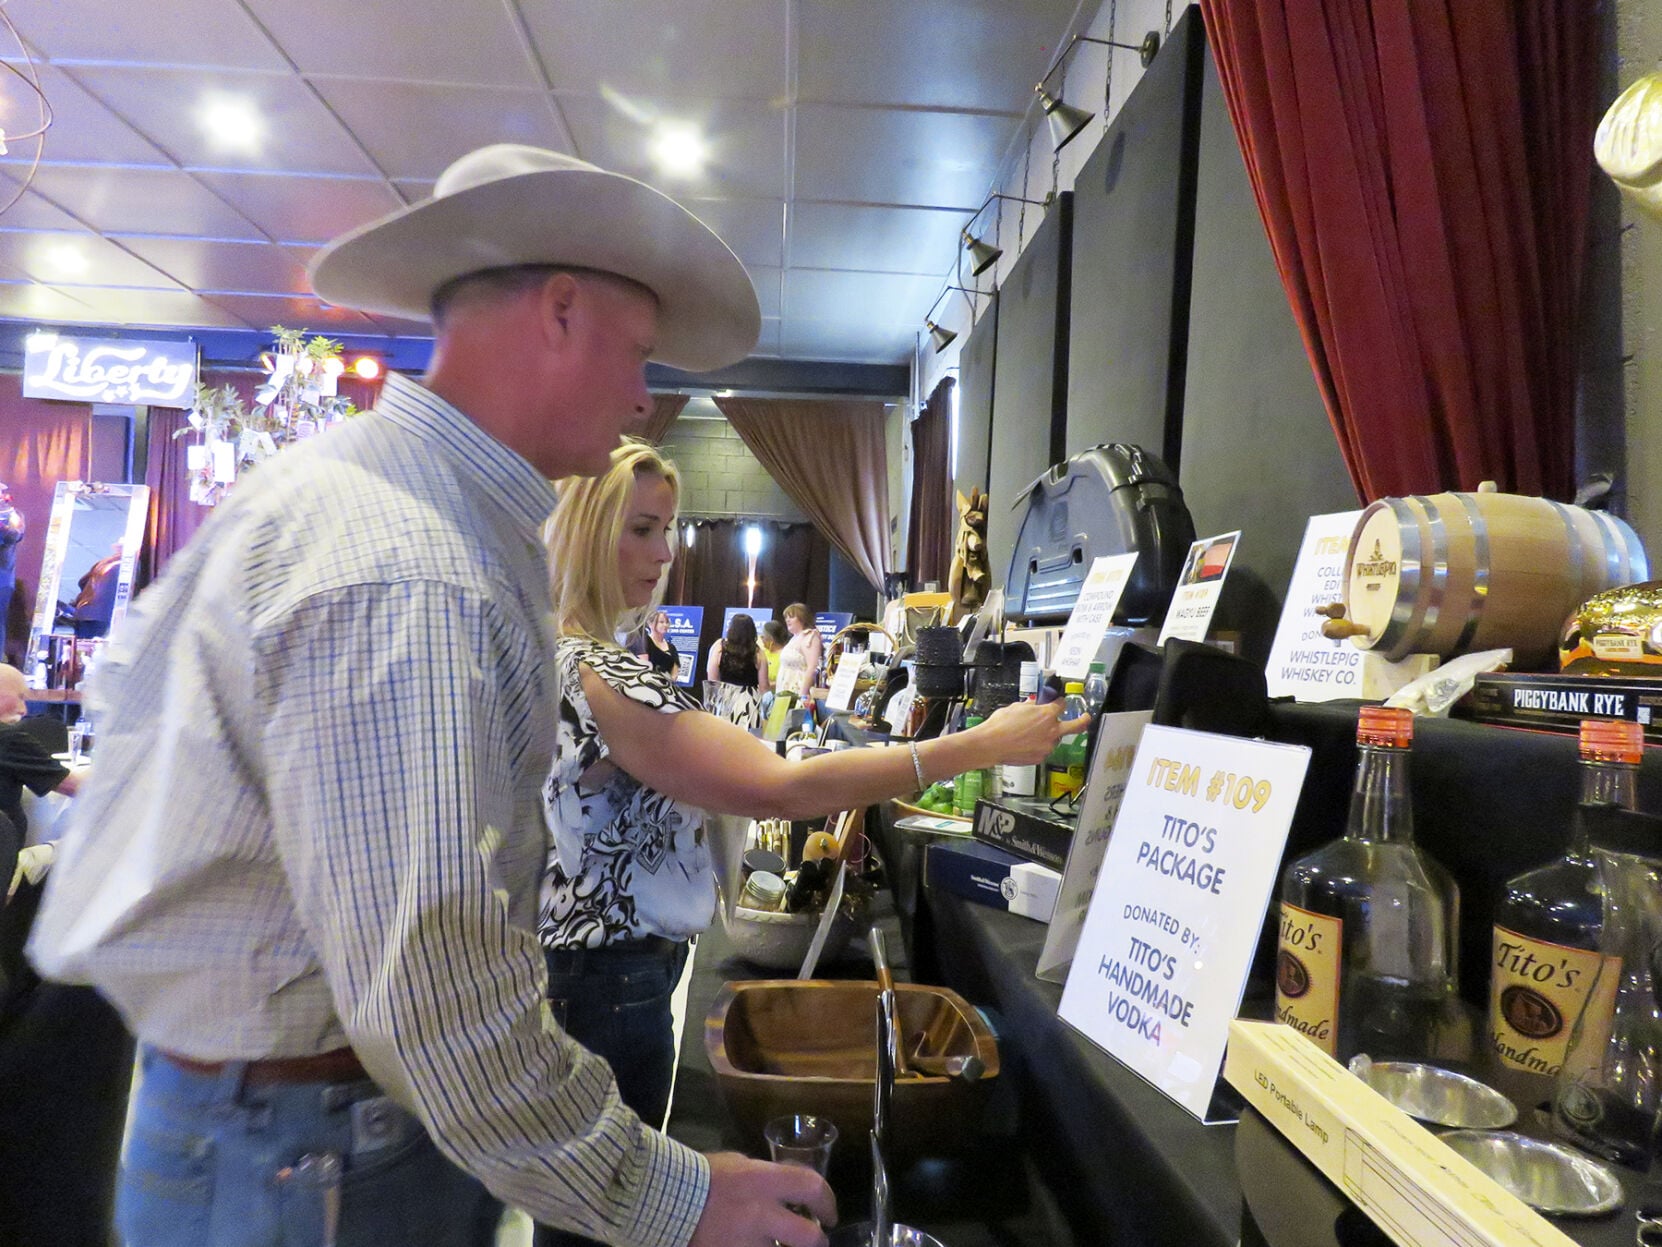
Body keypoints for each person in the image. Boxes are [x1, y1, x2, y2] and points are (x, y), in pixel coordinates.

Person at [29, 144, 836, 1247]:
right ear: (560, 311)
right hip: (308, 1157)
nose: (644, 395)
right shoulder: (410, 564)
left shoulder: (386, 505)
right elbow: (431, 988)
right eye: (638, 351)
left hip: (299, 1134)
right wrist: (678, 1195)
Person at [536, 442, 1084, 1247]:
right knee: (605, 1216)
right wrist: (978, 745)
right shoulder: (602, 675)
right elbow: (782, 787)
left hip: (604, 976)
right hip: (610, 983)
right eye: (642, 529)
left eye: (668, 530)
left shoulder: (576, 660)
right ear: (587, 532)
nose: (664, 553)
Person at [706, 612, 769, 728]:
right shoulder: (758, 652)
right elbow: (764, 686)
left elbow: (712, 679)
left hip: (725, 699)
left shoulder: (719, 647)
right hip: (750, 702)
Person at [775, 602, 823, 698]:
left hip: (798, 692)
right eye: (786, 617)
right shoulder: (794, 638)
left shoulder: (810, 636)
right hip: (785, 692)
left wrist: (803, 695)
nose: (787, 620)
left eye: (791, 617)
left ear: (802, 618)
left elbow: (812, 667)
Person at [630, 609, 679, 677]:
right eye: (661, 622)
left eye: (667, 622)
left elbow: (675, 669)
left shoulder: (671, 647)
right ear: (651, 624)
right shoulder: (644, 642)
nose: (665, 625)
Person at [759, 619, 788, 688]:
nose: (761, 639)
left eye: (763, 637)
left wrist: (768, 685)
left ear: (771, 640)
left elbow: (787, 680)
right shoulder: (762, 653)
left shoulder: (785, 656)